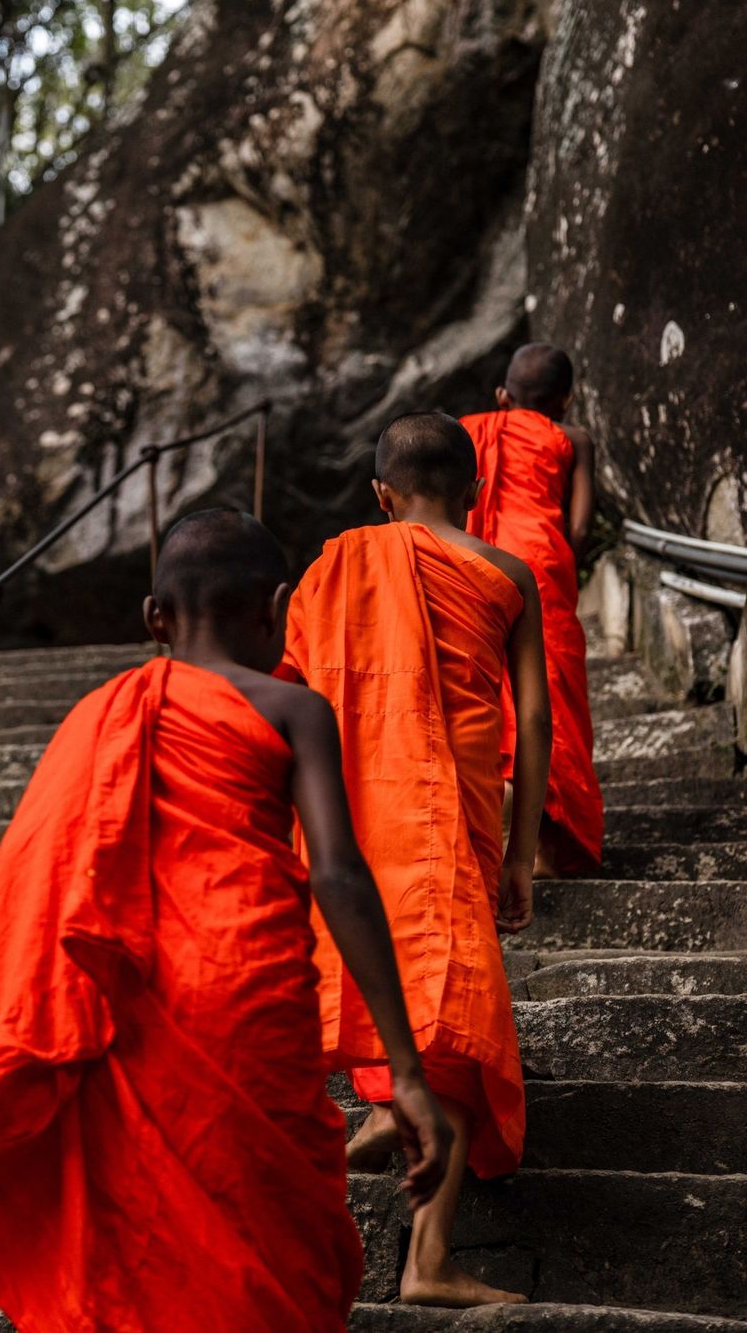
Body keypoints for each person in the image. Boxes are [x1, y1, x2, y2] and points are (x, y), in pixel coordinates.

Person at [0, 509, 453, 1333]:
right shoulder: (295, 709)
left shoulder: (100, 718)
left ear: (155, 619)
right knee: (268, 1235)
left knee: (152, 1246)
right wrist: (404, 1070)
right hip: (250, 995)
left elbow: (33, 874)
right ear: (279, 605)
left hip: (140, 1011)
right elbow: (338, 873)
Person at [278, 413, 552, 1309]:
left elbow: (293, 692)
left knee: (419, 984)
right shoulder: (506, 572)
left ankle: (386, 1118)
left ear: (380, 494)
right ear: (475, 494)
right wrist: (524, 854)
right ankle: (428, 1261)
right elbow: (535, 717)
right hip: (461, 799)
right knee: (460, 1023)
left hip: (362, 798)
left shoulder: (330, 569)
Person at [461, 343, 604, 875]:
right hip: (540, 569)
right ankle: (546, 848)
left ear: (502, 396)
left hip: (476, 571)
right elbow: (582, 527)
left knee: (486, 696)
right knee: (550, 698)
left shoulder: (470, 430)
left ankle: (489, 826)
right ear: (567, 400)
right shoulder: (573, 438)